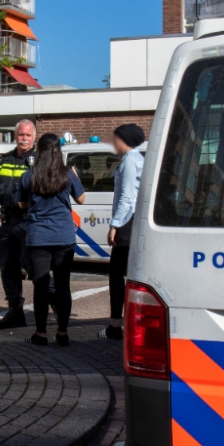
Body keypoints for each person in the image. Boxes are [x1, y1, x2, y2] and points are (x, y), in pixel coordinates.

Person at [19, 134, 86, 347]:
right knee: (63, 285)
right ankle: (63, 332)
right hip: (64, 236)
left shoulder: (29, 175)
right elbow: (81, 199)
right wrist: (75, 176)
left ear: (39, 151)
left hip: (38, 237)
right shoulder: (67, 175)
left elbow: (22, 205)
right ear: (58, 152)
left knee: (40, 286)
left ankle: (40, 334)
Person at [0, 119, 36, 329]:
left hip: (28, 222)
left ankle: (59, 313)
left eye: (28, 135)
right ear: (16, 136)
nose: (24, 139)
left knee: (34, 267)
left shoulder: (39, 160)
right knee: (7, 269)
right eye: (21, 135)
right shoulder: (4, 160)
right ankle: (15, 312)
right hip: (7, 222)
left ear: (34, 137)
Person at [100, 123, 145, 340]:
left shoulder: (129, 161)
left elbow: (127, 197)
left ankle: (115, 325)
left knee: (116, 274)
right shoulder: (140, 160)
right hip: (136, 221)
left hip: (127, 221)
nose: (113, 142)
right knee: (133, 273)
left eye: (115, 138)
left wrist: (115, 225)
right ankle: (133, 322)